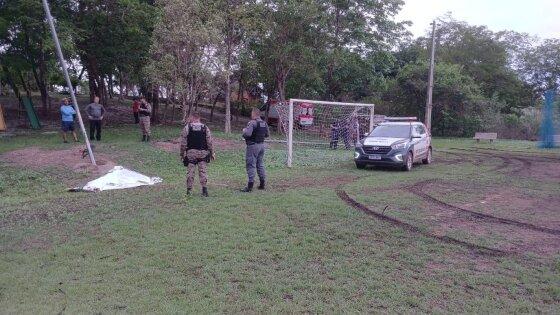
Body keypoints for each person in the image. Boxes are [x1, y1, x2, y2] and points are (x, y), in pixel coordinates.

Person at [180, 112, 214, 197]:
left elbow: (183, 143)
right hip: (203, 153)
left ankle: (189, 191)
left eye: (190, 118)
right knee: (203, 171)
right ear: (199, 118)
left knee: (190, 172)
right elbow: (209, 142)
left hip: (191, 153)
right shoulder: (205, 128)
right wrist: (212, 152)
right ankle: (204, 190)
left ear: (193, 118)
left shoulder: (187, 127)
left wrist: (182, 154)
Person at [241, 108, 269, 192]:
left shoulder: (252, 123)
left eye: (251, 113)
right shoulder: (264, 123)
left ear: (253, 114)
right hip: (262, 146)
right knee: (260, 164)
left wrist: (244, 130)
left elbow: (247, 134)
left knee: (251, 164)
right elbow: (267, 135)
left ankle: (250, 186)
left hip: (253, 146)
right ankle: (262, 184)